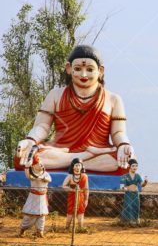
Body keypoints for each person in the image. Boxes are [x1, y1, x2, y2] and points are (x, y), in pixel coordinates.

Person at [15, 45, 135, 173]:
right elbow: (43, 126)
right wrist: (30, 140)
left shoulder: (113, 99)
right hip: (64, 150)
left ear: (100, 70)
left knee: (127, 160)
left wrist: (123, 145)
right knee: (23, 156)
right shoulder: (55, 95)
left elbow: (118, 133)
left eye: (90, 69)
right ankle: (80, 159)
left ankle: (72, 162)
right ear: (69, 68)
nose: (84, 74)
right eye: (77, 69)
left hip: (98, 151)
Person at [19, 154, 51, 238]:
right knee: (30, 215)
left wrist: (44, 179)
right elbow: (27, 173)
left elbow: (49, 179)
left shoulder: (45, 173)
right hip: (34, 197)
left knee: (42, 215)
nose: (41, 165)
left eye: (41, 163)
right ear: (33, 166)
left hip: (43, 197)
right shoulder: (31, 174)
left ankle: (40, 231)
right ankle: (23, 229)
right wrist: (27, 165)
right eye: (38, 164)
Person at [62, 158, 89, 230]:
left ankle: (81, 228)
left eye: (79, 165)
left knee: (80, 212)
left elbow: (86, 189)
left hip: (81, 197)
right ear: (73, 167)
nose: (77, 167)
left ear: (82, 167)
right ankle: (67, 228)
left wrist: (86, 199)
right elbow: (64, 186)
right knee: (70, 212)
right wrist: (72, 190)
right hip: (72, 197)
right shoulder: (70, 176)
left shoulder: (84, 176)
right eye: (76, 165)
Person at [120, 159, 148, 225]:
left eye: (136, 166)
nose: (135, 167)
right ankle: (127, 221)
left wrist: (145, 182)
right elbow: (121, 186)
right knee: (128, 206)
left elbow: (141, 185)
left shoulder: (138, 176)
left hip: (136, 194)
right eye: (133, 166)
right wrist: (125, 188)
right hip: (128, 194)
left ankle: (136, 221)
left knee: (136, 207)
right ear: (129, 166)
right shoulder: (125, 176)